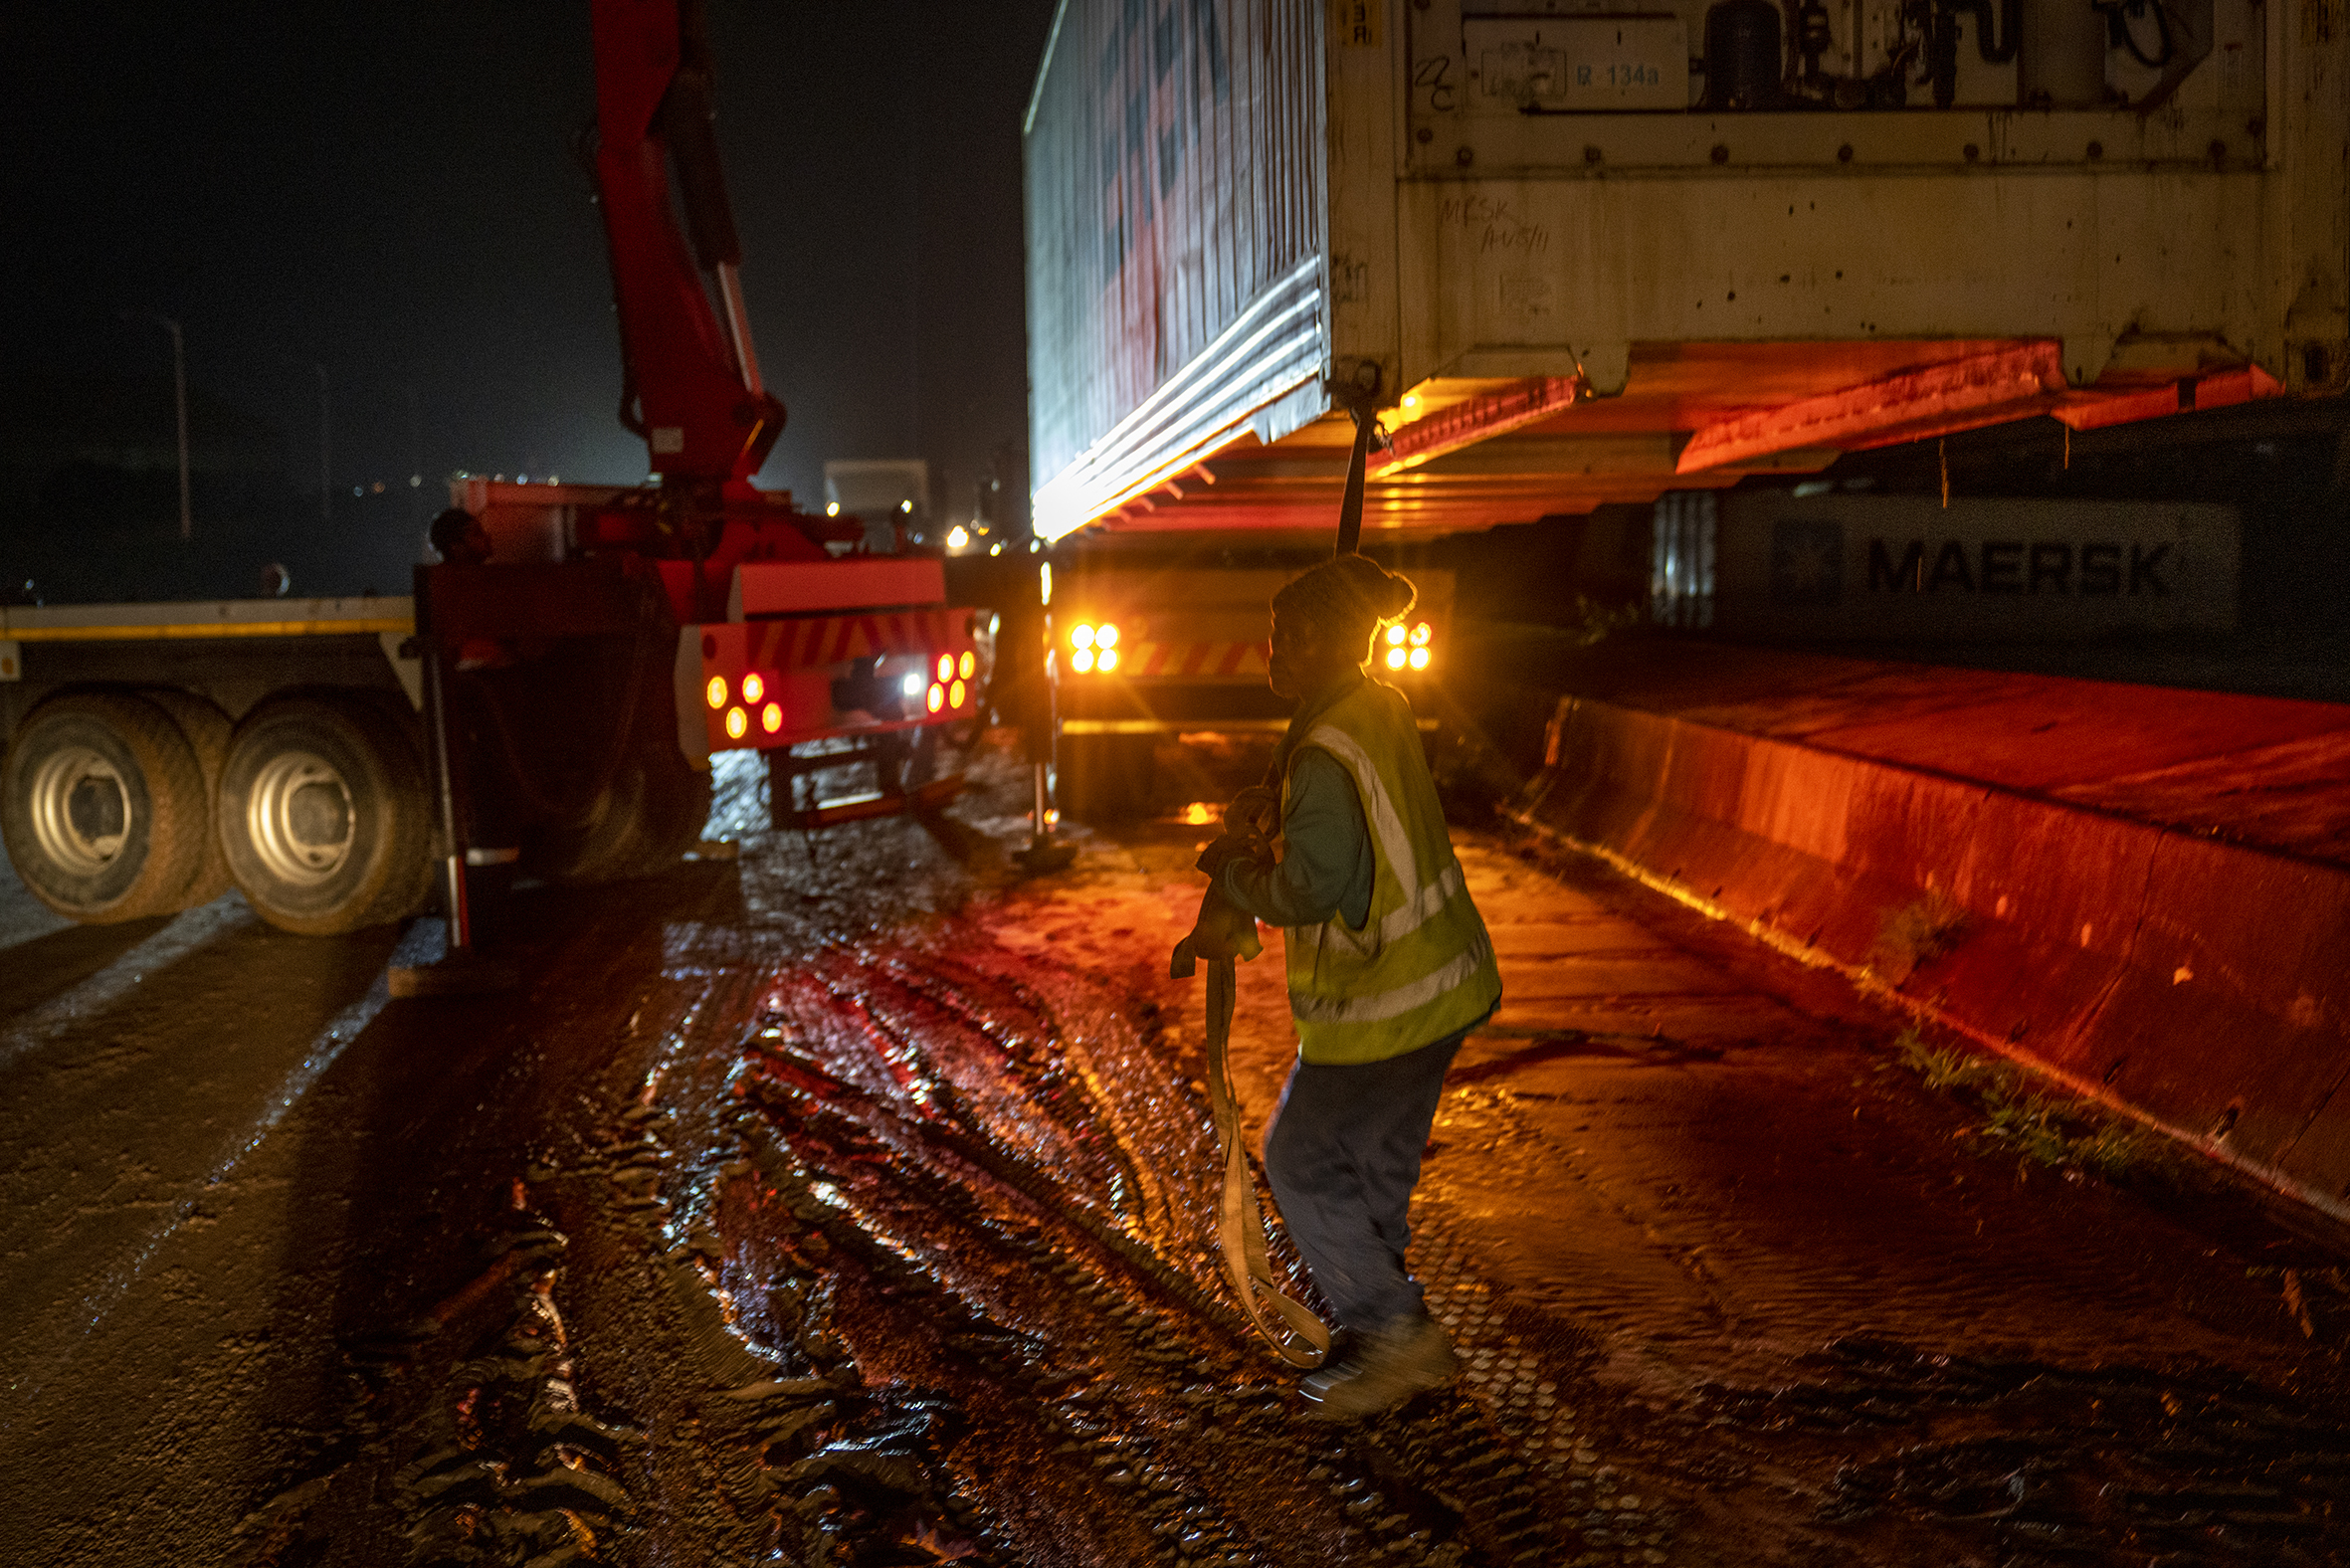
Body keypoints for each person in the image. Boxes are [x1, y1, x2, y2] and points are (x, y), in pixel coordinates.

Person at [1196, 554, 1501, 1421]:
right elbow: (1347, 817)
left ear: (1327, 643)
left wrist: (1237, 877)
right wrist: (1283, 806)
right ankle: (1389, 1329)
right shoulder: (1377, 707)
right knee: (1375, 1163)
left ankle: (1393, 1332)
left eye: (1287, 636)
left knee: (1297, 1159)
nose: (1272, 651)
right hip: (1446, 988)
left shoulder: (1324, 751)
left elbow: (1312, 886)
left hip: (1383, 1009)